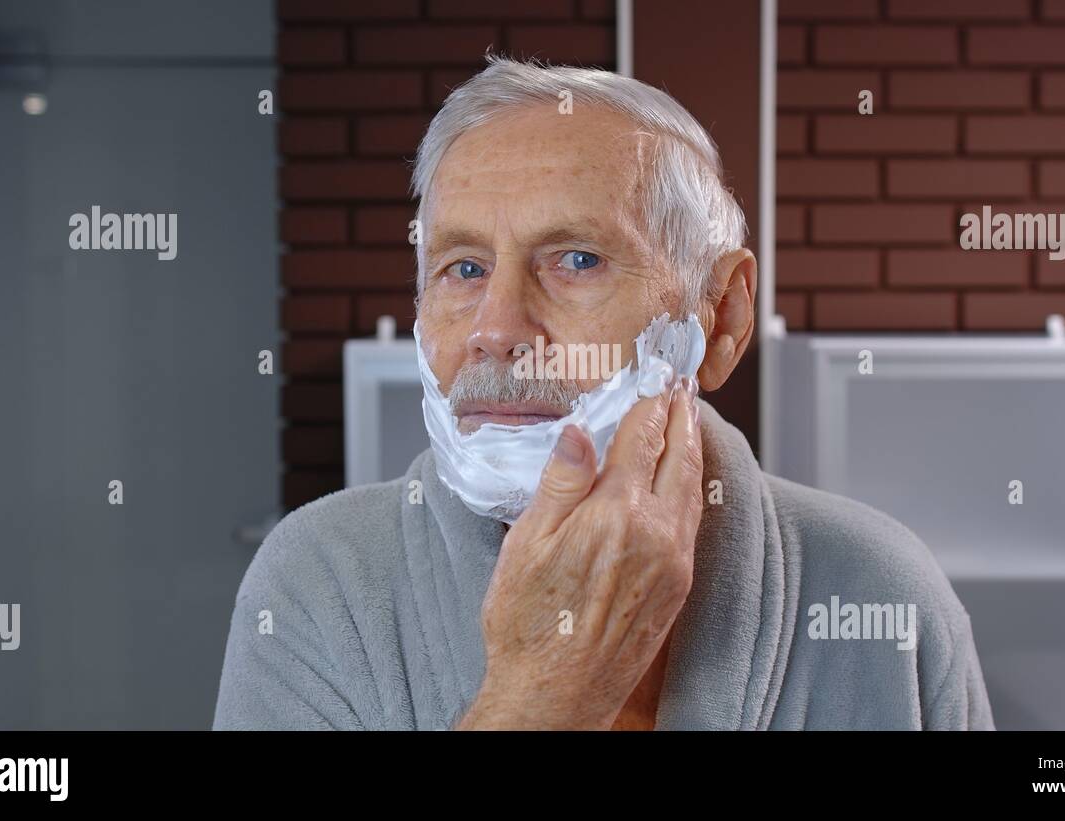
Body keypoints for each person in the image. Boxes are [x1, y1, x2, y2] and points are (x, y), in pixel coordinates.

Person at [213, 57, 994, 731]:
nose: (496, 329)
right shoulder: (318, 586)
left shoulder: (878, 595)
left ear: (721, 318)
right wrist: (539, 699)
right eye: (464, 268)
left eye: (577, 260)